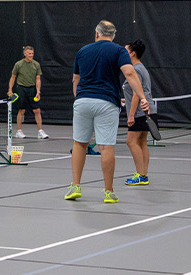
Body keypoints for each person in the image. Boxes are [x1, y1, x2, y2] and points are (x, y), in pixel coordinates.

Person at [66, 21, 146, 204]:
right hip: (107, 102)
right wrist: (142, 97)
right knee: (106, 147)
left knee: (79, 144)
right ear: (113, 35)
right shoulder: (119, 51)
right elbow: (130, 74)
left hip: (83, 101)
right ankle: (109, 192)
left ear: (97, 34)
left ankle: (75, 186)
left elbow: (75, 80)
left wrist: (79, 98)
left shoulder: (82, 51)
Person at [121, 41, 156, 186]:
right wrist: (126, 99)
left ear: (132, 53)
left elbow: (137, 93)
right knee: (141, 142)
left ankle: (141, 175)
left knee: (131, 141)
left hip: (140, 112)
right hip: (148, 110)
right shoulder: (141, 68)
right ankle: (143, 174)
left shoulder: (135, 69)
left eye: (126, 51)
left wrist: (131, 115)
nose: (123, 54)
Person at [7, 46, 48, 139]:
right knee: (21, 110)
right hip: (21, 88)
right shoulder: (18, 64)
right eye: (29, 53)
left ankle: (40, 131)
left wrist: (38, 91)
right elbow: (13, 77)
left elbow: (38, 79)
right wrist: (10, 89)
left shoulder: (36, 64)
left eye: (32, 53)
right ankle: (19, 131)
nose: (31, 55)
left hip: (32, 89)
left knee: (37, 110)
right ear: (25, 54)